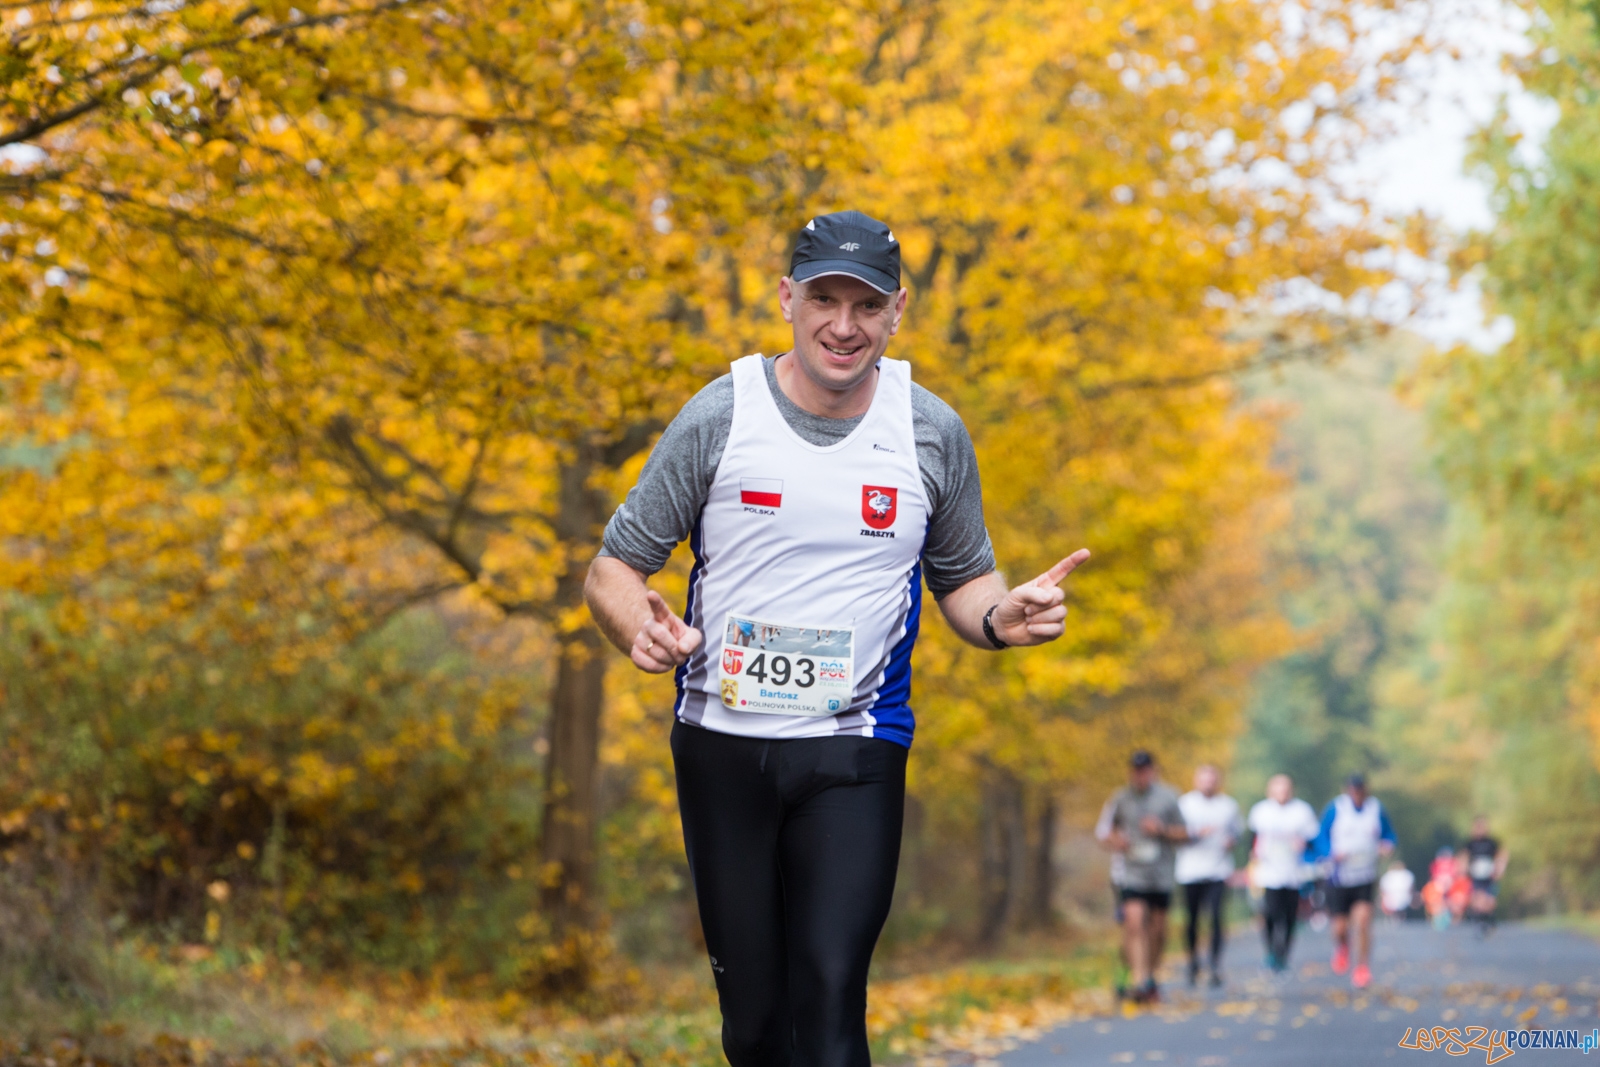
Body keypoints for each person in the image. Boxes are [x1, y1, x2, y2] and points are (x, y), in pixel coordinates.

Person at [584, 209, 1091, 1067]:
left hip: (854, 751)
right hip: (721, 747)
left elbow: (965, 579)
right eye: (825, 299)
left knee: (828, 996)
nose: (844, 326)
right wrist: (641, 628)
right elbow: (613, 569)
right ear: (788, 298)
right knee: (754, 1024)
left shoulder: (930, 430)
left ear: (899, 311)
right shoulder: (722, 414)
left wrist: (1000, 619)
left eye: (867, 305)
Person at [1098, 750, 1189, 1004]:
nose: (1140, 775)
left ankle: (1150, 975)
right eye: (1136, 770)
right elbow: (1107, 831)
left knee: (1158, 930)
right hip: (1132, 873)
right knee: (1134, 924)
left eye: (1145, 770)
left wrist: (1161, 830)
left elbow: (1185, 833)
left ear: (1153, 771)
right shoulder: (1120, 798)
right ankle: (1139, 980)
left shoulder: (1169, 796)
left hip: (1161, 874)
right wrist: (1117, 841)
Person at [1313, 774, 1396, 989]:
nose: (1357, 794)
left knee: (1363, 921)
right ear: (1347, 790)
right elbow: (1320, 837)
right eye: (1354, 790)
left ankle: (1362, 968)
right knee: (1339, 927)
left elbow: (1389, 834)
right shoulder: (1336, 808)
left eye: (1361, 790)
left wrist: (1387, 845)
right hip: (1339, 876)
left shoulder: (1375, 809)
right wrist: (1331, 852)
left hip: (1365, 876)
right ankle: (1342, 947)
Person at [1176, 764, 1242, 988]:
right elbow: (1174, 833)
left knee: (1216, 918)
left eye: (1212, 780)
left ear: (1218, 782)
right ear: (1196, 781)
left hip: (1218, 870)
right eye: (1204, 780)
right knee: (1192, 919)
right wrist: (1195, 834)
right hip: (1190, 870)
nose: (1208, 784)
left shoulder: (1228, 806)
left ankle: (1215, 964)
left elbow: (1237, 833)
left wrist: (1231, 841)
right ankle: (1193, 961)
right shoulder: (1184, 804)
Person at [1247, 773, 1319, 973]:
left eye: (1285, 789)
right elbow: (1252, 838)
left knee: (1289, 916)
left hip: (1294, 873)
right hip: (1269, 872)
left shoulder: (1302, 811)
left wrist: (1304, 845)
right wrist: (1252, 854)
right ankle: (1271, 950)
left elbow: (1313, 841)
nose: (1282, 793)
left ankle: (1284, 952)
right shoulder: (1260, 811)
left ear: (1291, 791)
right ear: (1269, 791)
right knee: (1270, 912)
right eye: (1278, 789)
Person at [1463, 816, 1508, 933]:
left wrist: (1500, 869)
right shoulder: (1470, 843)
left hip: (1489, 876)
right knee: (1477, 900)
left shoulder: (1491, 843)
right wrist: (1465, 869)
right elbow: (1464, 857)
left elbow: (1502, 855)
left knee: (1490, 901)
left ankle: (1489, 920)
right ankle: (1478, 920)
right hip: (1476, 877)